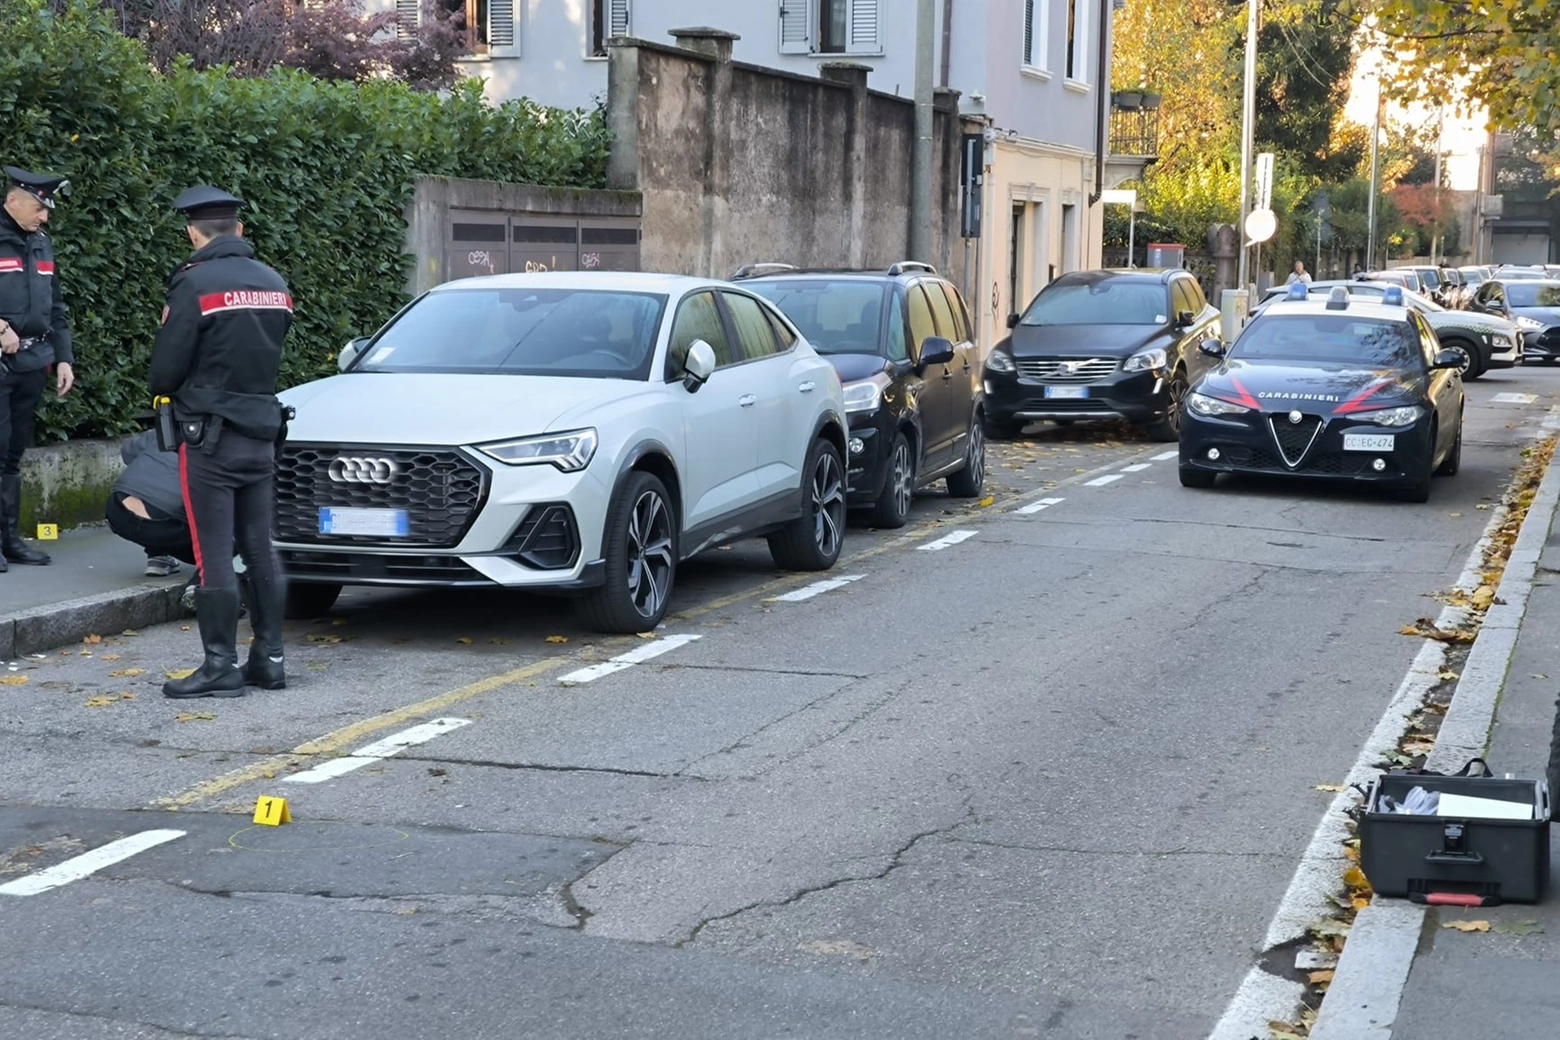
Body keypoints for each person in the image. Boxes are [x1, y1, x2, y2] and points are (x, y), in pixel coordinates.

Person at [150, 186, 291, 699]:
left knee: (213, 553)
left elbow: (164, 373)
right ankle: (270, 659)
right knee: (260, 549)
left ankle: (219, 666)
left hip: (209, 438)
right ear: (239, 229)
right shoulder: (274, 283)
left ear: (193, 232)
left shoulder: (194, 284)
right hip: (262, 431)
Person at [0, 164, 77, 569]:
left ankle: (9, 540)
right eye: (38, 207)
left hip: (32, 361)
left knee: (13, 455)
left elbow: (57, 307)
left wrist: (64, 357)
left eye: (46, 209)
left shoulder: (41, 243)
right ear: (12, 201)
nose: (44, 216)